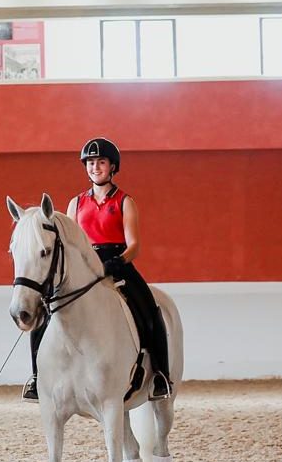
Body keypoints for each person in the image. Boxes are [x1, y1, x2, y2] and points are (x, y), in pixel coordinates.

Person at [21, 137, 172, 403]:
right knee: (44, 312)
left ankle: (160, 374)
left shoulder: (125, 201)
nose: (95, 167)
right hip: (84, 265)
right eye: (90, 163)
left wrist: (120, 260)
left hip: (117, 262)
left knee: (149, 308)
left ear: (112, 166)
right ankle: (37, 377)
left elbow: (134, 244)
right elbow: (68, 243)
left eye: (100, 162)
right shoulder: (75, 203)